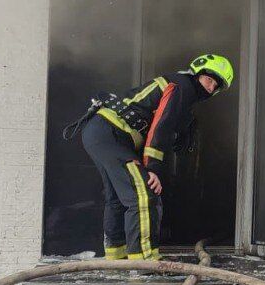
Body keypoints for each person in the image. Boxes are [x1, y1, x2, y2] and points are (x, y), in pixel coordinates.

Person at [80, 54, 233, 260]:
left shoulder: (180, 89)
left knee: (117, 197)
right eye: (209, 80)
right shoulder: (182, 86)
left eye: (216, 86)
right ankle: (144, 262)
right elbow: (162, 127)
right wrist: (153, 168)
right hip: (112, 133)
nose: (210, 88)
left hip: (101, 132)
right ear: (198, 73)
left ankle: (117, 256)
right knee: (143, 193)